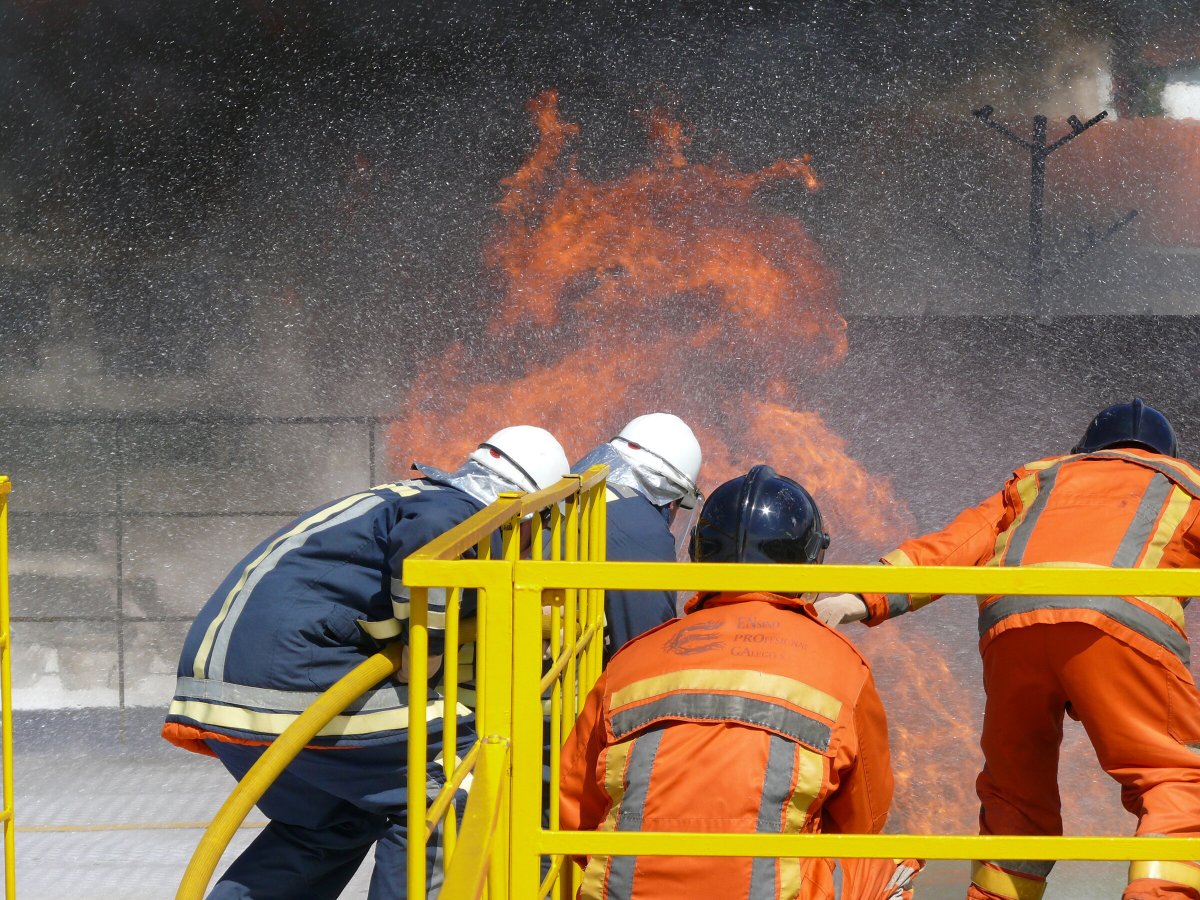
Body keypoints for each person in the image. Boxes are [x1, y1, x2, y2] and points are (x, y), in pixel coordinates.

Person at [163, 425, 570, 900]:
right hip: (291, 680)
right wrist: (429, 649)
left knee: (334, 822)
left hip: (219, 689)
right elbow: (429, 540)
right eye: (538, 525)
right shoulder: (456, 509)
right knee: (452, 783)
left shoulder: (393, 497)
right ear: (521, 505)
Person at [814, 398, 1200, 900]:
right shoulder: (1185, 483)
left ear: (1085, 451)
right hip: (1117, 626)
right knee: (1175, 779)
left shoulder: (1039, 479)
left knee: (1015, 797)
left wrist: (860, 599)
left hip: (1011, 628)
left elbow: (957, 544)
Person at [560, 465, 921, 900]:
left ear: (698, 554)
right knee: (886, 867)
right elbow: (862, 821)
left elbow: (575, 811)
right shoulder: (841, 666)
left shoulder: (632, 659)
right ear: (809, 561)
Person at [571, 412, 703, 659]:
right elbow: (647, 650)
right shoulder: (644, 531)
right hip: (562, 689)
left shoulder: (576, 487)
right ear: (672, 498)